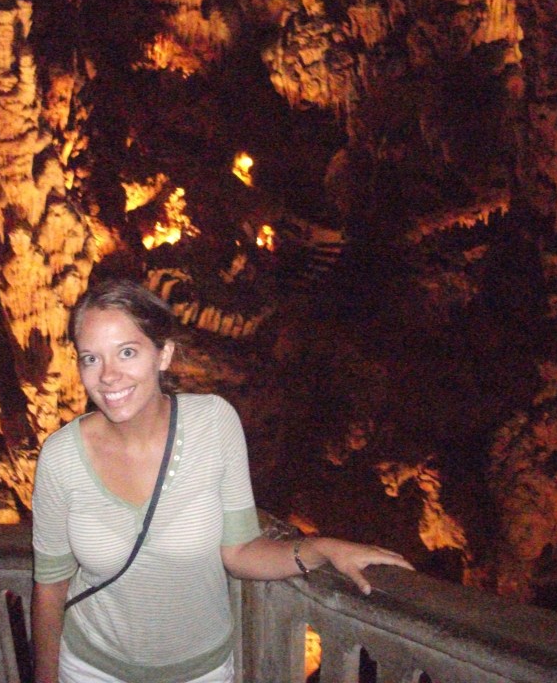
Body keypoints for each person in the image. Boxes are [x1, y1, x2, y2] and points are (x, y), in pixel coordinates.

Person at [31, 278, 414, 683]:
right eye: (91, 358)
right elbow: (50, 587)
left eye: (127, 352)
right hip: (92, 669)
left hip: (200, 672)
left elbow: (240, 551)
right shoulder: (61, 457)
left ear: (164, 354)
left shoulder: (213, 423)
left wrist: (321, 548)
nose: (108, 375)